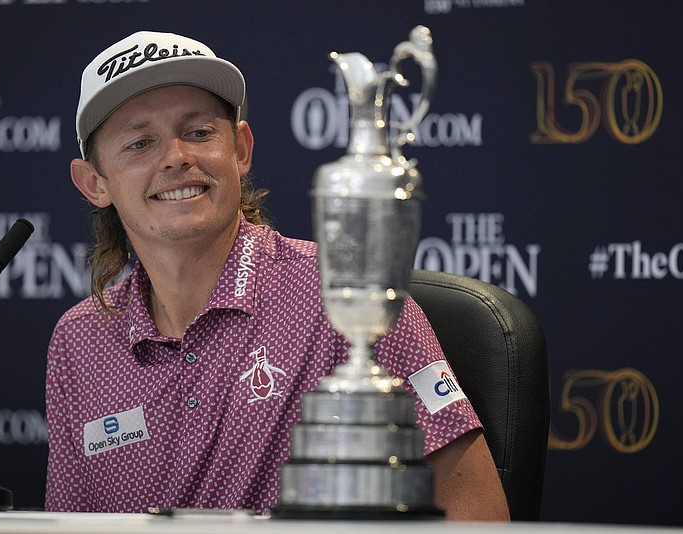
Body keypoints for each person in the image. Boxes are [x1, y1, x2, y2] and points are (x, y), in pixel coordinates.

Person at [45, 30, 509, 520]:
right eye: (141, 142)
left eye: (200, 132)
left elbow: (475, 516)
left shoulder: (342, 296)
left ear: (240, 150)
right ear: (94, 182)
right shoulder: (78, 341)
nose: (177, 157)